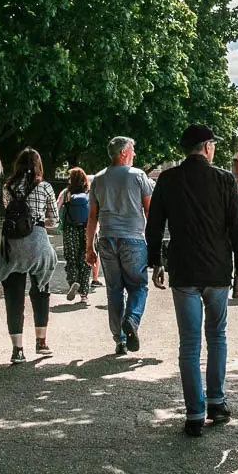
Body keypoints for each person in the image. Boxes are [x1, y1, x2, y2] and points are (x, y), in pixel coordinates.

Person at [146, 124, 238, 438]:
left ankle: (194, 413)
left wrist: (156, 262)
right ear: (207, 147)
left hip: (184, 272)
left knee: (189, 344)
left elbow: (154, 227)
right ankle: (217, 403)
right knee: (217, 336)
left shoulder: (167, 180)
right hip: (218, 271)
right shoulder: (224, 179)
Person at [0, 148, 59, 364]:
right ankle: (41, 342)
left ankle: (18, 350)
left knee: (14, 296)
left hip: (13, 246)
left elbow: (11, 212)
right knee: (41, 290)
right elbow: (55, 220)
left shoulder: (8, 187)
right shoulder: (45, 187)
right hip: (38, 244)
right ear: (39, 165)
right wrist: (41, 223)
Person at [87, 136, 154, 356]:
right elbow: (149, 212)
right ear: (124, 152)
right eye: (132, 150)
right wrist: (153, 244)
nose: (134, 154)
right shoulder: (138, 176)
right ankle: (132, 319)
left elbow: (92, 218)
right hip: (133, 239)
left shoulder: (98, 179)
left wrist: (89, 247)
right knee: (138, 286)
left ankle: (120, 339)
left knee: (114, 290)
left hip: (106, 239)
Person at [57, 167, 92, 304]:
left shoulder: (66, 193)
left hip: (70, 228)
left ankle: (73, 281)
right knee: (85, 259)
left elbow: (56, 207)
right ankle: (84, 294)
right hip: (86, 229)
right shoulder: (89, 193)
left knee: (71, 258)